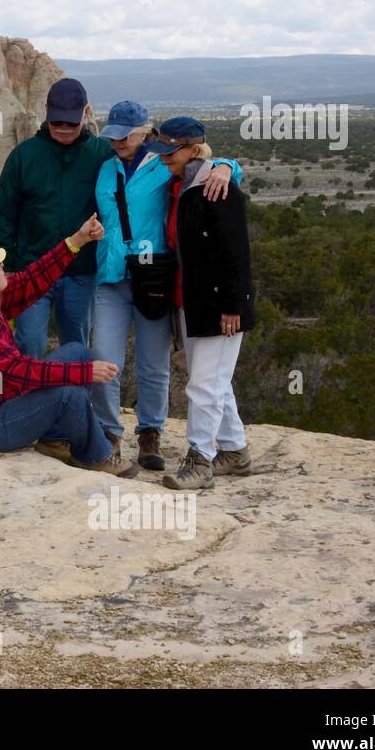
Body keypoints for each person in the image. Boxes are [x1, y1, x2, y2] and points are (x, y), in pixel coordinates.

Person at [90, 101, 241, 470]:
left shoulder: (164, 165)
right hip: (111, 276)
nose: (118, 143)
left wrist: (228, 165)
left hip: (153, 276)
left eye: (125, 136)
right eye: (113, 136)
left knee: (153, 364)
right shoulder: (106, 168)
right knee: (104, 359)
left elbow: (208, 169)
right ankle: (110, 435)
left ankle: (150, 434)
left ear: (146, 132)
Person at [0, 214, 134, 478]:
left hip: (3, 400)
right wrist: (84, 373)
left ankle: (53, 439)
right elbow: (19, 370)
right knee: (69, 394)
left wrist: (76, 240)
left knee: (78, 351)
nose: (3, 267)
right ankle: (96, 455)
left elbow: (36, 276)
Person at [156, 118, 256, 490]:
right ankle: (234, 451)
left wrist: (233, 305)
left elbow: (236, 252)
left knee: (203, 386)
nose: (164, 158)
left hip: (219, 307)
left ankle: (200, 460)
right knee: (214, 382)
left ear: (194, 150)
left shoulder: (218, 188)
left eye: (171, 151)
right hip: (189, 302)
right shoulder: (179, 186)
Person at [0, 77, 111, 358]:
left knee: (75, 348)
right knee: (29, 344)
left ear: (87, 113)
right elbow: (3, 212)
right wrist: (3, 262)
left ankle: (74, 402)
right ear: (46, 111)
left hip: (82, 271)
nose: (64, 129)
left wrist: (223, 166)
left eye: (71, 122)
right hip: (31, 269)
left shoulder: (102, 154)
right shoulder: (24, 155)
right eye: (58, 122)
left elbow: (147, 166)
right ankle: (27, 402)